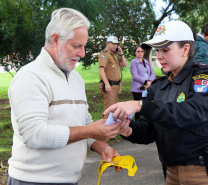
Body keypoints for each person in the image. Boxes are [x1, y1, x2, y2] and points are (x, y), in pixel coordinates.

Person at [7, 8, 130, 185]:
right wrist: (90, 131)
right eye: (76, 46)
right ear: (55, 39)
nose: (82, 53)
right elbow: (34, 134)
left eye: (84, 46)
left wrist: (100, 146)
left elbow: (83, 122)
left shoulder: (76, 78)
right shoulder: (31, 76)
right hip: (32, 181)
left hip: (70, 180)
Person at [103, 20, 208, 184]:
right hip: (171, 173)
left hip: (205, 173)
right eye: (158, 50)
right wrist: (127, 128)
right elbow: (150, 129)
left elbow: (193, 112)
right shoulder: (159, 86)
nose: (159, 55)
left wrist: (140, 105)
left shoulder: (204, 78)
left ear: (186, 49)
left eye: (166, 49)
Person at [98, 36, 127, 116]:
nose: (115, 46)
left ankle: (113, 128)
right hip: (109, 86)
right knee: (109, 110)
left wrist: (121, 54)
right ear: (107, 43)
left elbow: (124, 64)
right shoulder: (104, 54)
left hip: (115, 86)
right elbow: (101, 70)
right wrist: (106, 84)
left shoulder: (114, 55)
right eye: (113, 44)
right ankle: (106, 127)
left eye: (116, 44)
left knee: (114, 110)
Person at [130, 45, 156, 120]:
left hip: (147, 87)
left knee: (146, 106)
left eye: (142, 51)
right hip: (138, 89)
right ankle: (137, 123)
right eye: (138, 51)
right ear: (135, 52)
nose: (140, 53)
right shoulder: (133, 62)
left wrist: (150, 81)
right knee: (138, 108)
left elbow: (153, 73)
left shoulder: (147, 61)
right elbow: (135, 76)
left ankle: (145, 122)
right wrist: (145, 81)